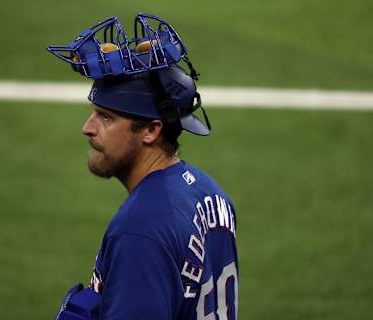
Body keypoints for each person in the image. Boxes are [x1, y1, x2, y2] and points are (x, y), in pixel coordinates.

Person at [48, 13, 239, 320]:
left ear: (151, 130)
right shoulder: (211, 193)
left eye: (106, 117)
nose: (87, 128)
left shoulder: (139, 232)